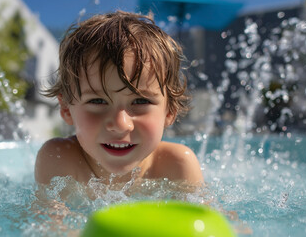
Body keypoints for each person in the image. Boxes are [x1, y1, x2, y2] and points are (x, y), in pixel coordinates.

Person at [34, 11, 204, 187]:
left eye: (140, 101)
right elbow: (48, 215)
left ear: (170, 111)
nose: (120, 124)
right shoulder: (59, 161)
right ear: (66, 109)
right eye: (98, 101)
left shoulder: (177, 167)